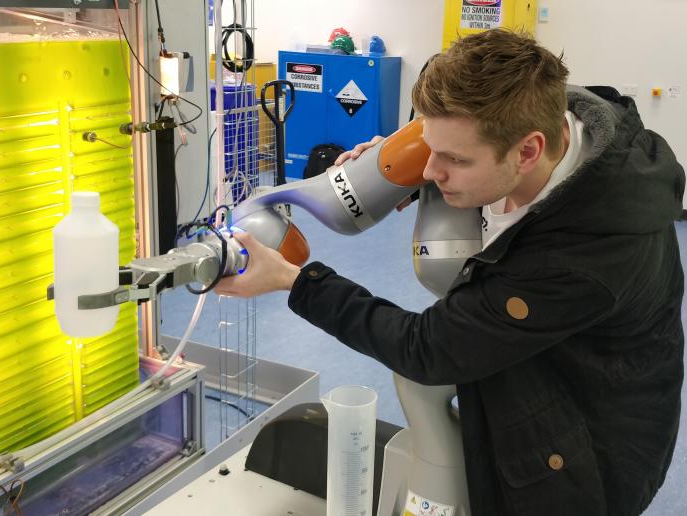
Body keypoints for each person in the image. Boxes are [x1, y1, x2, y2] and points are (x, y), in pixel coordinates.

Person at [216, 29, 685, 515]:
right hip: (533, 381)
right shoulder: (538, 114)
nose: (431, 169)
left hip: (578, 465)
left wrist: (293, 280)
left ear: (528, 151)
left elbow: (428, 349)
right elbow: (462, 160)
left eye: (454, 159)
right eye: (430, 145)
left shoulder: (583, 256)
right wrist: (409, 162)